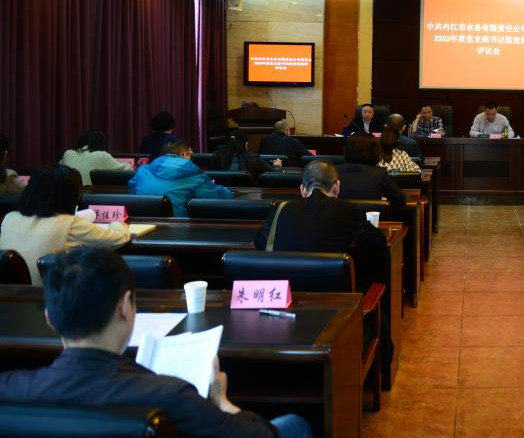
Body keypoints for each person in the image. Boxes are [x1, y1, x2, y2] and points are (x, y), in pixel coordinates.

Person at [0, 247, 309, 438]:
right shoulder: (170, 395)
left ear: (50, 319)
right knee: (293, 425)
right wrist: (221, 401)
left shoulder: (8, 390)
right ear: (125, 307)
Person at [255, 161, 387, 290]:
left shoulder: (280, 209)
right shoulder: (347, 209)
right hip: (334, 294)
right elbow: (378, 241)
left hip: (285, 292)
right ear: (336, 187)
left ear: (302, 189)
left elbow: (260, 243)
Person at [0, 165, 129, 285]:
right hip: (47, 296)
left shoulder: (9, 218)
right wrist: (118, 223)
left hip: (11, 297)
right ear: (67, 196)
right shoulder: (68, 224)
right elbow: (118, 238)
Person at [129, 141, 232, 217]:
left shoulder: (142, 170)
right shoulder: (192, 173)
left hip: (142, 224)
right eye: (190, 154)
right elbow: (218, 197)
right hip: (177, 226)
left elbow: (133, 193)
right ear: (184, 154)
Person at [336, 136, 405, 208]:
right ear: (374, 152)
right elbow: (400, 200)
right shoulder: (380, 174)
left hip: (341, 215)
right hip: (372, 215)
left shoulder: (335, 171)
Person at [60, 130, 134, 186]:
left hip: (67, 199)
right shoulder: (101, 155)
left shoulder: (68, 153)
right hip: (89, 197)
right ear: (101, 143)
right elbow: (129, 170)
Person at [210, 130, 278, 178]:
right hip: (248, 193)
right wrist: (277, 166)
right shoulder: (253, 159)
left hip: (221, 192)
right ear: (245, 144)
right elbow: (274, 174)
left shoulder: (217, 156)